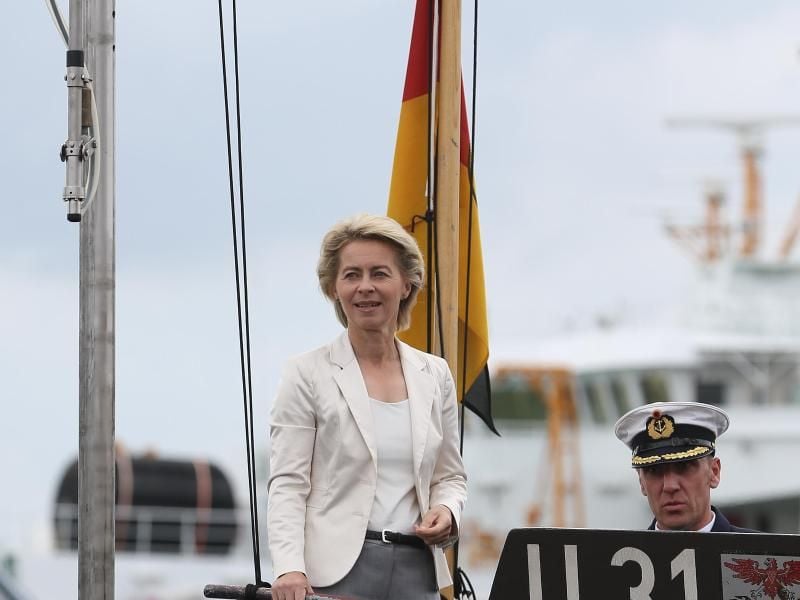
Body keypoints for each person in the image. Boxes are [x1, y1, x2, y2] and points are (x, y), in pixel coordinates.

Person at [267, 214, 467, 600]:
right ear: (333, 289)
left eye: (379, 273)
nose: (365, 287)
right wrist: (289, 568)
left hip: (418, 572)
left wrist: (448, 511)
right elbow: (288, 484)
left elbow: (451, 477)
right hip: (334, 577)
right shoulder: (305, 373)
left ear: (406, 283)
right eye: (351, 275)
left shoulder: (435, 374)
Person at [614, 401, 754, 532]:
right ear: (641, 482)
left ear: (714, 472)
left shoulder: (763, 554)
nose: (670, 486)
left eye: (684, 467)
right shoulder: (613, 557)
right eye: (654, 470)